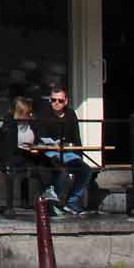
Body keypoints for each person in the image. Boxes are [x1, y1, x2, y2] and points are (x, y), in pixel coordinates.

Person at [36, 87, 95, 215]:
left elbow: (76, 137)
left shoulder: (71, 114)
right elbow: (40, 135)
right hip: (49, 151)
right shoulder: (43, 114)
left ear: (66, 101)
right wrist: (52, 143)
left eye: (60, 101)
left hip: (68, 151)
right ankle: (54, 203)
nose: (56, 103)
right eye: (53, 100)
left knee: (85, 170)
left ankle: (72, 201)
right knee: (61, 170)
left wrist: (78, 155)